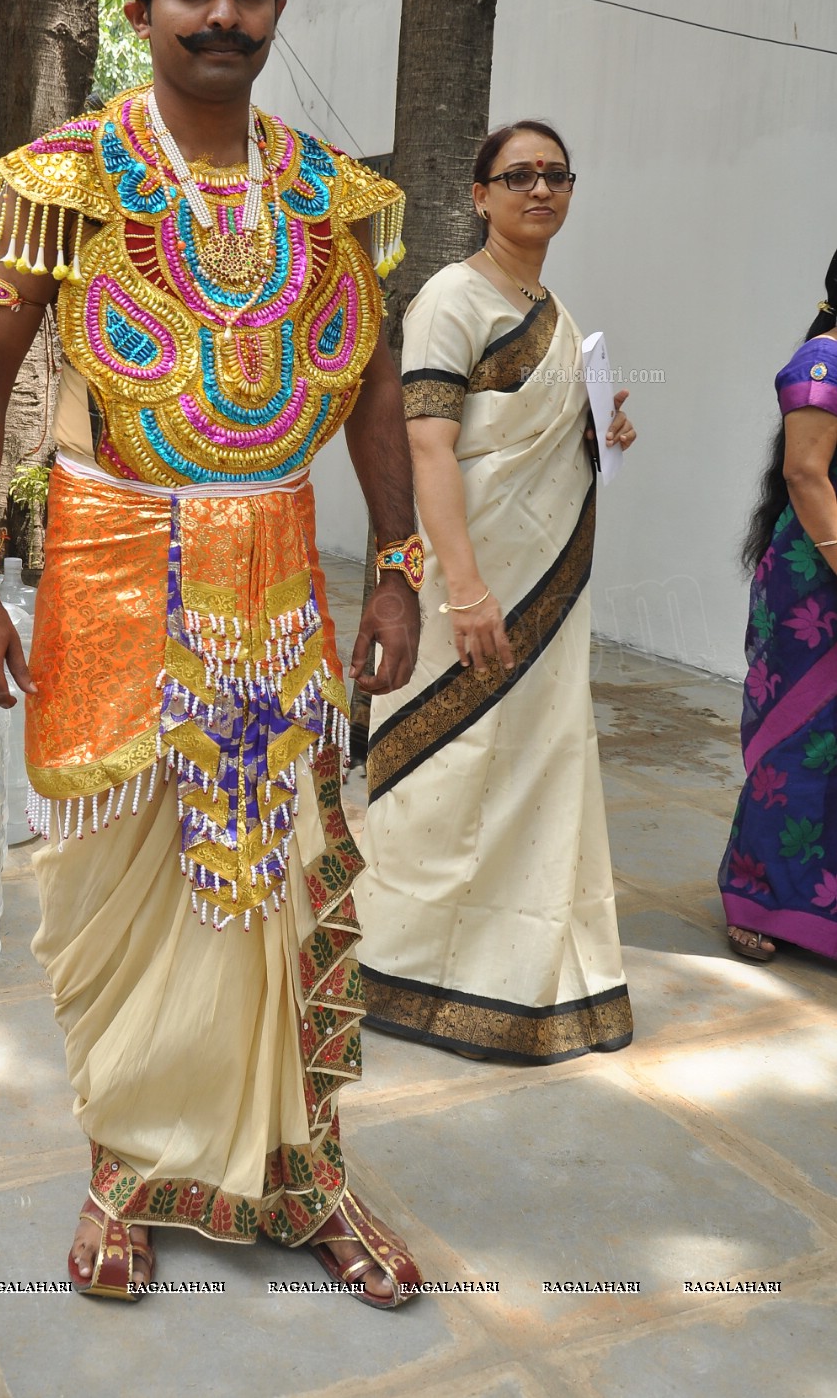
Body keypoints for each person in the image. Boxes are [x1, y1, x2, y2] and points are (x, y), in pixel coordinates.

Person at [0, 0, 426, 1305]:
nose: (223, 16)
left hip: (276, 582)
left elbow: (365, 398)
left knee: (278, 883)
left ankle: (304, 1170)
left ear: (278, 7)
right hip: (108, 574)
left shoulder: (336, 199)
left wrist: (400, 568)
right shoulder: (59, 179)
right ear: (143, 7)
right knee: (124, 900)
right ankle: (120, 1173)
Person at [355, 121, 638, 1064]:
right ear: (479, 194)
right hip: (476, 585)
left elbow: (524, 428)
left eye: (556, 174)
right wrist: (466, 590)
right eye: (517, 176)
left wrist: (599, 426)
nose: (539, 190)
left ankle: (518, 969)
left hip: (548, 584)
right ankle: (405, 962)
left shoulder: (550, 305)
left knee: (537, 761)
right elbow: (427, 444)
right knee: (450, 763)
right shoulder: (450, 297)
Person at [719, 251, 837, 963]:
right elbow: (804, 473)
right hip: (813, 583)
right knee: (795, 742)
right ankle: (756, 894)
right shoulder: (821, 365)